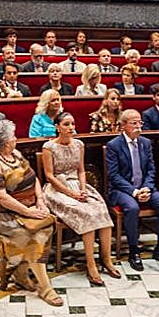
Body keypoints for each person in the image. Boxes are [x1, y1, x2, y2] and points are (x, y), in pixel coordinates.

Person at [0, 120, 60, 305]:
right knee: (30, 235)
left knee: (44, 227)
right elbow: (0, 197)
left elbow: (33, 177)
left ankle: (21, 273)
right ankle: (45, 287)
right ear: (6, 142)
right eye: (13, 136)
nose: (16, 139)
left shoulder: (15, 154)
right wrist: (28, 212)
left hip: (23, 208)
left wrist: (40, 200)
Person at [41, 111, 119, 284]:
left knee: (101, 210)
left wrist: (83, 189)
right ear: (57, 127)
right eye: (66, 124)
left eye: (73, 124)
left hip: (78, 185)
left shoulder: (79, 144)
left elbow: (81, 170)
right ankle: (90, 265)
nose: (71, 128)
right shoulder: (49, 147)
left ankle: (106, 259)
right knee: (87, 215)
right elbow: (50, 176)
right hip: (57, 190)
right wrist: (72, 194)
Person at [106, 109, 159, 271]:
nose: (138, 127)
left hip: (144, 187)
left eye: (140, 123)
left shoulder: (145, 143)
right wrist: (135, 192)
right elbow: (114, 176)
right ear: (123, 125)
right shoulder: (114, 145)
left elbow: (151, 170)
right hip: (121, 190)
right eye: (134, 123)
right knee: (132, 207)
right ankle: (133, 250)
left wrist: (146, 187)